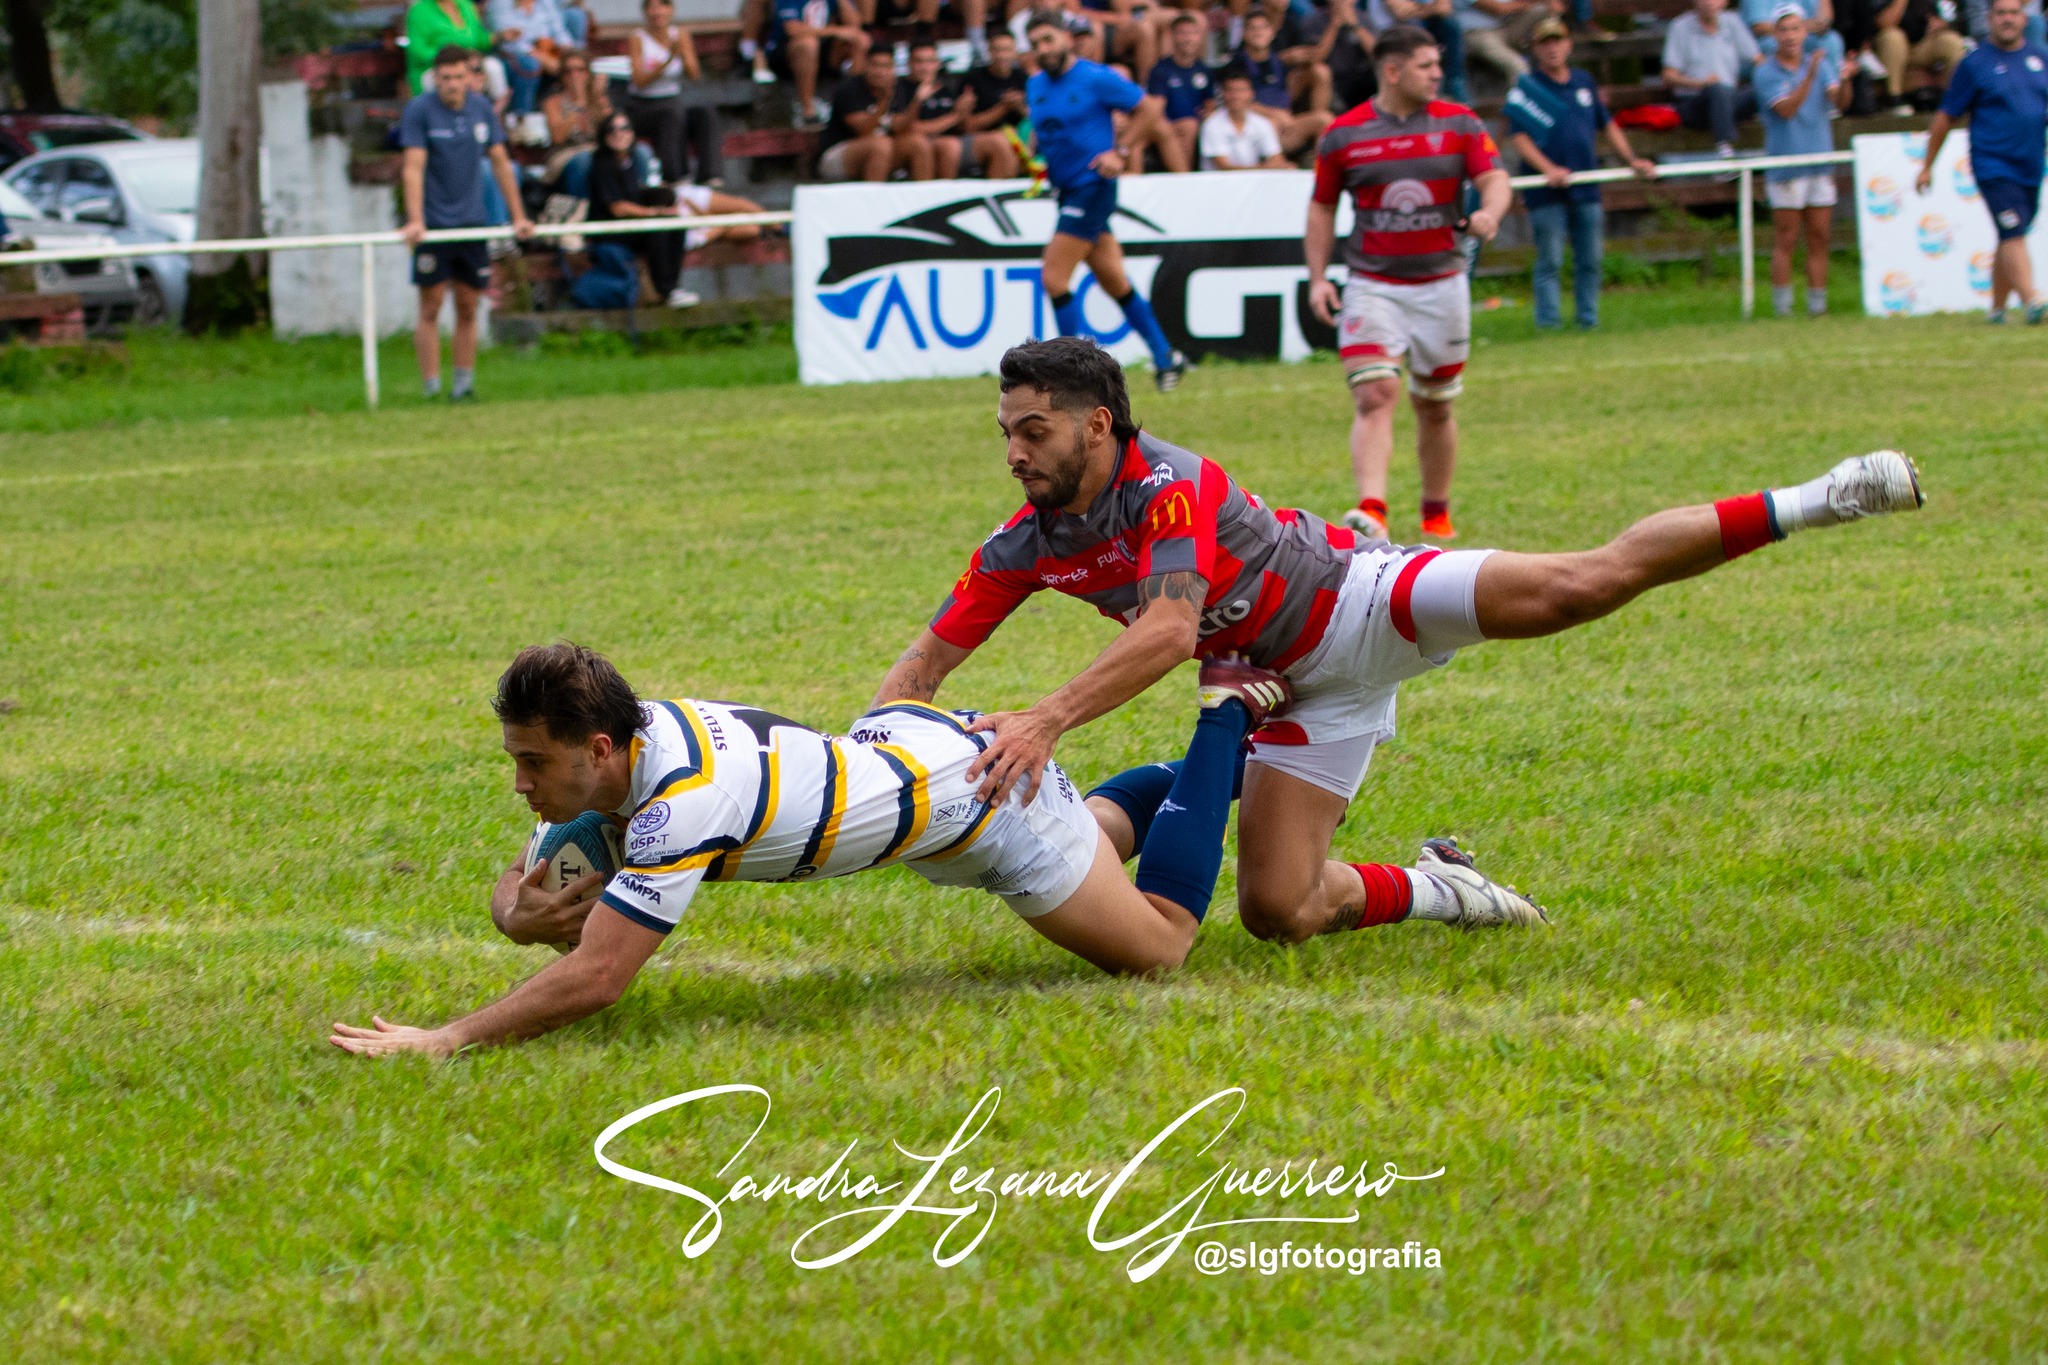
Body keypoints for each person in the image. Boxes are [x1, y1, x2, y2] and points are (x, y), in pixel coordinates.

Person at [872, 337, 1925, 949]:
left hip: (1361, 601)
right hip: (1286, 693)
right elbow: (922, 665)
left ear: (1096, 424)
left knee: (1578, 584)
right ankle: (1440, 885)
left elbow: (1167, 628)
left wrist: (1048, 719)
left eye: (1032, 431)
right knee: (1279, 911)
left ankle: (1818, 497)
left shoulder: (1165, 481)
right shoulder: (1022, 543)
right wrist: (861, 772)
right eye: (1005, 433)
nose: (1013, 452)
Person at [326, 642, 1340, 1055]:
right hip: (911, 781)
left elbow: (595, 978)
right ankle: (1176, 787)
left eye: (529, 763)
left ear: (595, 750)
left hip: (979, 803)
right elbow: (530, 898)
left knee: (1159, 943)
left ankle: (1224, 710)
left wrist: (445, 1038)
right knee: (1104, 839)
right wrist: (517, 910)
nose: (518, 783)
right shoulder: (624, 745)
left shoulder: (682, 800)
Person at [1303, 25, 1510, 543]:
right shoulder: (1344, 135)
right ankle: (1370, 509)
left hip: (1442, 284)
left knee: (1435, 404)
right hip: (1373, 284)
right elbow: (1322, 207)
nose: (1438, 74)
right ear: (1392, 71)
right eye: (1426, 66)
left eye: (1438, 65)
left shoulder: (1460, 123)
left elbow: (1494, 179)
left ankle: (1435, 510)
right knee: (1376, 392)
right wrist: (1317, 278)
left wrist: (1490, 212)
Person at [1025, 10, 1189, 388]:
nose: (1042, 49)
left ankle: (1069, 376)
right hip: (1066, 189)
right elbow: (1048, 133)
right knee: (1115, 280)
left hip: (1092, 186)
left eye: (1048, 40)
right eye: (1035, 44)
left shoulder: (1095, 77)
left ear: (1066, 38)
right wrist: (1039, 164)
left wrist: (1123, 150)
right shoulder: (1036, 86)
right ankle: (1167, 357)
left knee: (1054, 277)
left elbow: (1149, 108)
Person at [399, 45, 534, 402]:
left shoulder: (481, 110)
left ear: (471, 77)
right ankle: (430, 388)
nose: (452, 85)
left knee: (468, 305)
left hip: (473, 223)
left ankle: (463, 386)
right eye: (445, 78)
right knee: (430, 305)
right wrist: (415, 221)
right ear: (435, 79)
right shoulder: (419, 111)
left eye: (459, 77)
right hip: (434, 226)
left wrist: (518, 216)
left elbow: (502, 163)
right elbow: (413, 168)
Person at [1505, 18, 1656, 330]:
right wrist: (1547, 169)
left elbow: (1607, 124)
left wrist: (1630, 159)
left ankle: (1588, 320)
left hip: (1586, 184)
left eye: (1557, 41)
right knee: (1550, 260)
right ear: (1535, 49)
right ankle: (1549, 323)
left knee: (1590, 259)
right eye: (1545, 43)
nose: (1552, 48)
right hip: (1545, 190)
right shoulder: (1528, 88)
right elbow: (1519, 136)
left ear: (1568, 44)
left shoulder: (1584, 82)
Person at [1915, 0, 2048, 321]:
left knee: (2010, 234)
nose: (2007, 19)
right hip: (1993, 164)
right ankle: (2033, 299)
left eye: (2013, 13)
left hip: (2030, 163)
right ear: (1989, 18)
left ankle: (1997, 310)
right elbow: (1946, 116)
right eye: (2000, 13)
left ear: (2023, 18)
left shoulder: (2040, 59)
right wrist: (1927, 165)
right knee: (2012, 230)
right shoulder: (1975, 64)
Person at [586, 112, 762, 309]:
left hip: (638, 222)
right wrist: (655, 213)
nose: (619, 134)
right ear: (604, 135)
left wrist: (663, 202)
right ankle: (666, 290)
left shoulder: (633, 162)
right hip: (612, 230)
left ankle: (673, 287)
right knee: (660, 228)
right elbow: (618, 208)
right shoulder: (601, 166)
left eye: (624, 128)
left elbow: (641, 194)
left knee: (676, 223)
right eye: (612, 129)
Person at [1754, 5, 1851, 317]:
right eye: (1784, 30)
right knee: (1786, 238)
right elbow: (1787, 109)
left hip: (1819, 161)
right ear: (1775, 35)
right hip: (1786, 165)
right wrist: (1810, 75)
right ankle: (1783, 309)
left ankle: (1817, 307)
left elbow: (1838, 102)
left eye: (1796, 29)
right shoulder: (1766, 72)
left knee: (1820, 236)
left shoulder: (1820, 65)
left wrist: (1846, 79)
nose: (1791, 36)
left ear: (1805, 32)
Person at [626, 0, 723, 185]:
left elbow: (694, 74)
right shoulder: (637, 37)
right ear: (645, 12)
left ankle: (710, 175)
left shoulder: (680, 34)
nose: (657, 12)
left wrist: (684, 55)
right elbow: (639, 81)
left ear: (671, 10)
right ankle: (675, 175)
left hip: (672, 100)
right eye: (652, 7)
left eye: (662, 6)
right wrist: (667, 60)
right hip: (644, 106)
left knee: (705, 114)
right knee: (672, 114)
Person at [1225, 9, 1334, 155]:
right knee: (1271, 125)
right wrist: (1274, 114)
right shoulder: (1238, 64)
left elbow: (1317, 57)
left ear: (1272, 33)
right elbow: (1236, 99)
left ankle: (1318, 168)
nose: (1259, 32)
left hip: (1287, 123)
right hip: (1257, 124)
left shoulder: (1277, 60)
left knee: (1325, 119)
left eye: (1263, 28)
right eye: (1253, 28)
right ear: (1244, 33)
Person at [1661, 0, 1762, 158]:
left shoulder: (1732, 21)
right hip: (1693, 102)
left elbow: (1758, 59)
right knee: (1717, 89)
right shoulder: (1680, 26)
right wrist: (1700, 83)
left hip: (1728, 100)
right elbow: (1668, 76)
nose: (1709, 2)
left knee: (1761, 91)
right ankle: (1726, 154)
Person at [818, 46, 934, 179]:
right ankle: (872, 199)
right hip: (838, 154)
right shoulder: (850, 88)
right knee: (880, 145)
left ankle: (923, 197)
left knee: (918, 142)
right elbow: (864, 130)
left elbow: (899, 127)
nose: (880, 72)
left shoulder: (897, 89)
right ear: (865, 65)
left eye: (886, 66)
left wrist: (917, 101)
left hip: (883, 150)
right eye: (875, 65)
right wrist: (884, 101)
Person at [760, 0, 871, 127]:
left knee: (861, 40)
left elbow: (855, 25)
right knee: (808, 44)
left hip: (823, 50)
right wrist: (835, 31)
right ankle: (807, 111)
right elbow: (793, 29)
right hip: (785, 53)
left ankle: (855, 104)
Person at [1144, 13, 1216, 171]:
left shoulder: (1204, 70)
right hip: (1168, 126)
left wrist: (1208, 115)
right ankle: (1185, 179)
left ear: (1200, 37)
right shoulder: (1161, 70)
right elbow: (1156, 108)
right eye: (1183, 33)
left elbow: (1210, 103)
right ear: (1173, 36)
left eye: (1193, 33)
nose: (1188, 38)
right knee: (1188, 126)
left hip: (1195, 125)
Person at [893, 38, 975, 178]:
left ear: (937, 64)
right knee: (925, 144)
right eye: (919, 62)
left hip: (946, 143)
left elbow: (965, 127)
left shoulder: (946, 89)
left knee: (951, 144)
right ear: (909, 63)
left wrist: (965, 110)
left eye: (930, 61)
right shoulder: (898, 89)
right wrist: (917, 101)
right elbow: (909, 129)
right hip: (906, 145)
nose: (925, 67)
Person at [1873, 0, 1969, 113]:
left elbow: (1947, 16)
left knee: (1952, 42)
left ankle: (1952, 100)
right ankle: (1894, 99)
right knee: (1893, 38)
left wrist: (1939, 23)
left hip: (1920, 45)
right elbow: (1884, 23)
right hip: (1886, 48)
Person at [964, 30, 1033, 176]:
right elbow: (966, 125)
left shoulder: (1023, 78)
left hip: (1021, 137)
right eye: (997, 50)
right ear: (988, 51)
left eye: (1007, 50)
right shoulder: (974, 79)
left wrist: (1019, 106)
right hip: (983, 138)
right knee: (1004, 140)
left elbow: (1036, 117)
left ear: (1015, 52)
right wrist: (1003, 108)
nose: (1002, 55)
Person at [1374, 0, 1469, 102]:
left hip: (1425, 26)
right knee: (1415, 25)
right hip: (1388, 32)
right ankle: (1432, 94)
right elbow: (1401, 12)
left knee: (1450, 25)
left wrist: (1414, 10)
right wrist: (1431, 9)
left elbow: (1444, 9)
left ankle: (1454, 83)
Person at [488, 0, 570, 115]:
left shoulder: (546, 2)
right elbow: (511, 44)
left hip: (548, 50)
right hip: (513, 56)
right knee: (530, 65)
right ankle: (522, 116)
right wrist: (544, 59)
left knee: (574, 63)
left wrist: (568, 53)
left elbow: (560, 32)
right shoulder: (500, 3)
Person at [541, 48, 611, 182]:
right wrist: (579, 103)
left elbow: (609, 129)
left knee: (639, 152)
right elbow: (558, 138)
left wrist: (597, 99)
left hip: (596, 150)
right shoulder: (553, 102)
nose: (574, 75)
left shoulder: (598, 99)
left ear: (588, 73)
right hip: (567, 153)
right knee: (584, 159)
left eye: (580, 70)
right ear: (562, 76)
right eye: (568, 71)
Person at [1454, 0, 1567, 81]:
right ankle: (1518, 111)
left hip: (1505, 27)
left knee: (1546, 10)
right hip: (1477, 34)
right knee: (1518, 66)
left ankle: (1555, 70)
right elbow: (1499, 9)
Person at [1202, 70, 1292, 165]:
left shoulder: (1262, 123)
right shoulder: (1212, 124)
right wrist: (1267, 168)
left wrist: (1279, 166)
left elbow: (1276, 157)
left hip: (1254, 177)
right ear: (1222, 94)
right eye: (1230, 90)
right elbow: (1224, 166)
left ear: (1251, 93)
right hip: (1221, 179)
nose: (1236, 96)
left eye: (1241, 90)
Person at [404, 0, 491, 97]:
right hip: (435, 66)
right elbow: (418, 49)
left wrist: (500, 36)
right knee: (436, 78)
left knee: (493, 68)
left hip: (469, 63)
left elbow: (479, 40)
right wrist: (452, 59)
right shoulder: (419, 11)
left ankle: (501, 107)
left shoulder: (466, 5)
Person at [1743, 0, 1848, 61]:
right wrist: (1796, 28)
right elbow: (1759, 26)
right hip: (1772, 37)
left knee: (1831, 40)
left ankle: (1831, 92)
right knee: (1773, 44)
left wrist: (1822, 22)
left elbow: (1826, 18)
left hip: (1807, 36)